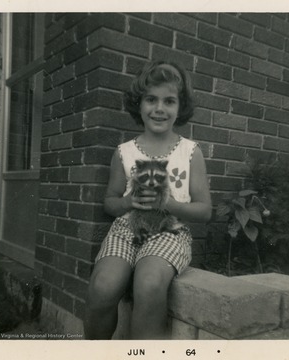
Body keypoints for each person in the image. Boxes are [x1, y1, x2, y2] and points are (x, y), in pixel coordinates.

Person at [84, 60, 212, 340]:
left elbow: (204, 211)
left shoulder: (190, 151)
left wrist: (169, 204)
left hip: (170, 232)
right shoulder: (124, 152)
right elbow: (110, 202)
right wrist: (130, 202)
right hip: (126, 230)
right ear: (138, 104)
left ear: (180, 108)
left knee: (150, 284)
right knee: (103, 287)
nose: (159, 108)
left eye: (169, 101)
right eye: (151, 99)